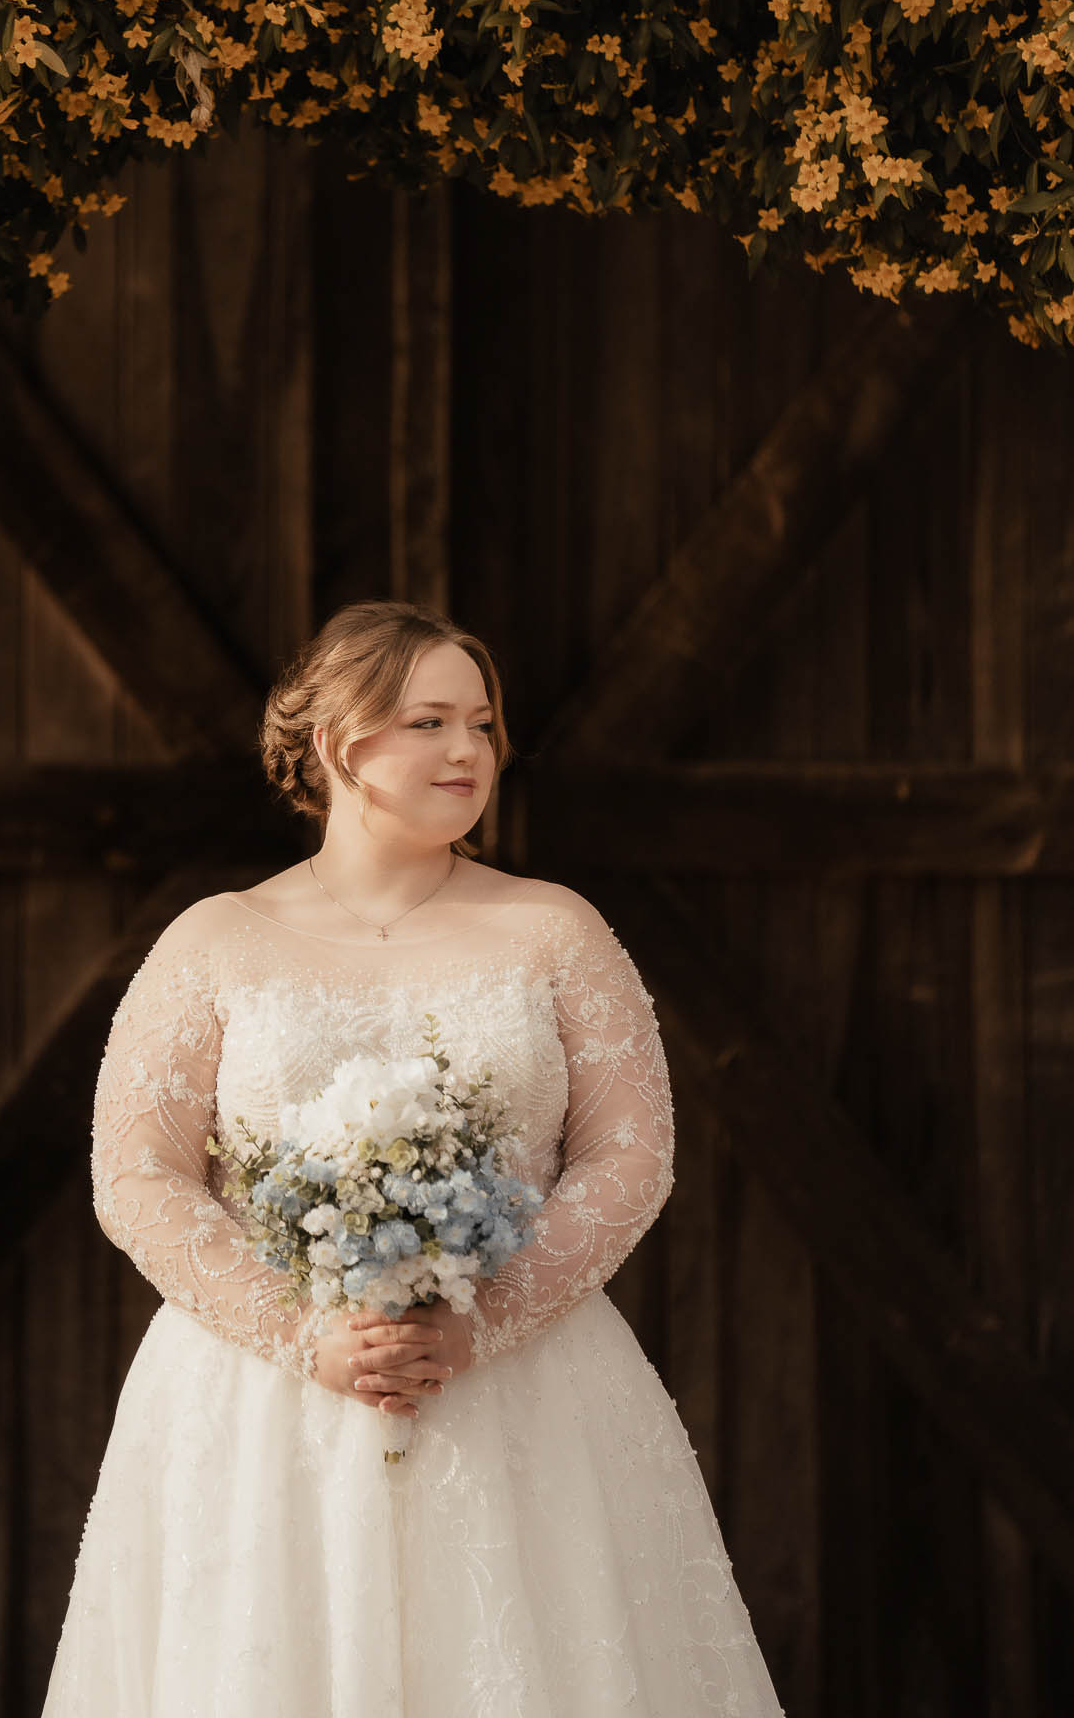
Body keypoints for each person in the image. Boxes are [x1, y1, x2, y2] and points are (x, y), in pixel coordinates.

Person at [40, 599, 786, 1716]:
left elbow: (631, 1152)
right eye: (430, 720)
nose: (468, 750)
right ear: (341, 741)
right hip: (262, 1404)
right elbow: (136, 1172)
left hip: (520, 1388)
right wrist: (303, 1333)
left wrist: (482, 1319)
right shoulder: (216, 937)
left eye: (482, 723)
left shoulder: (554, 928)